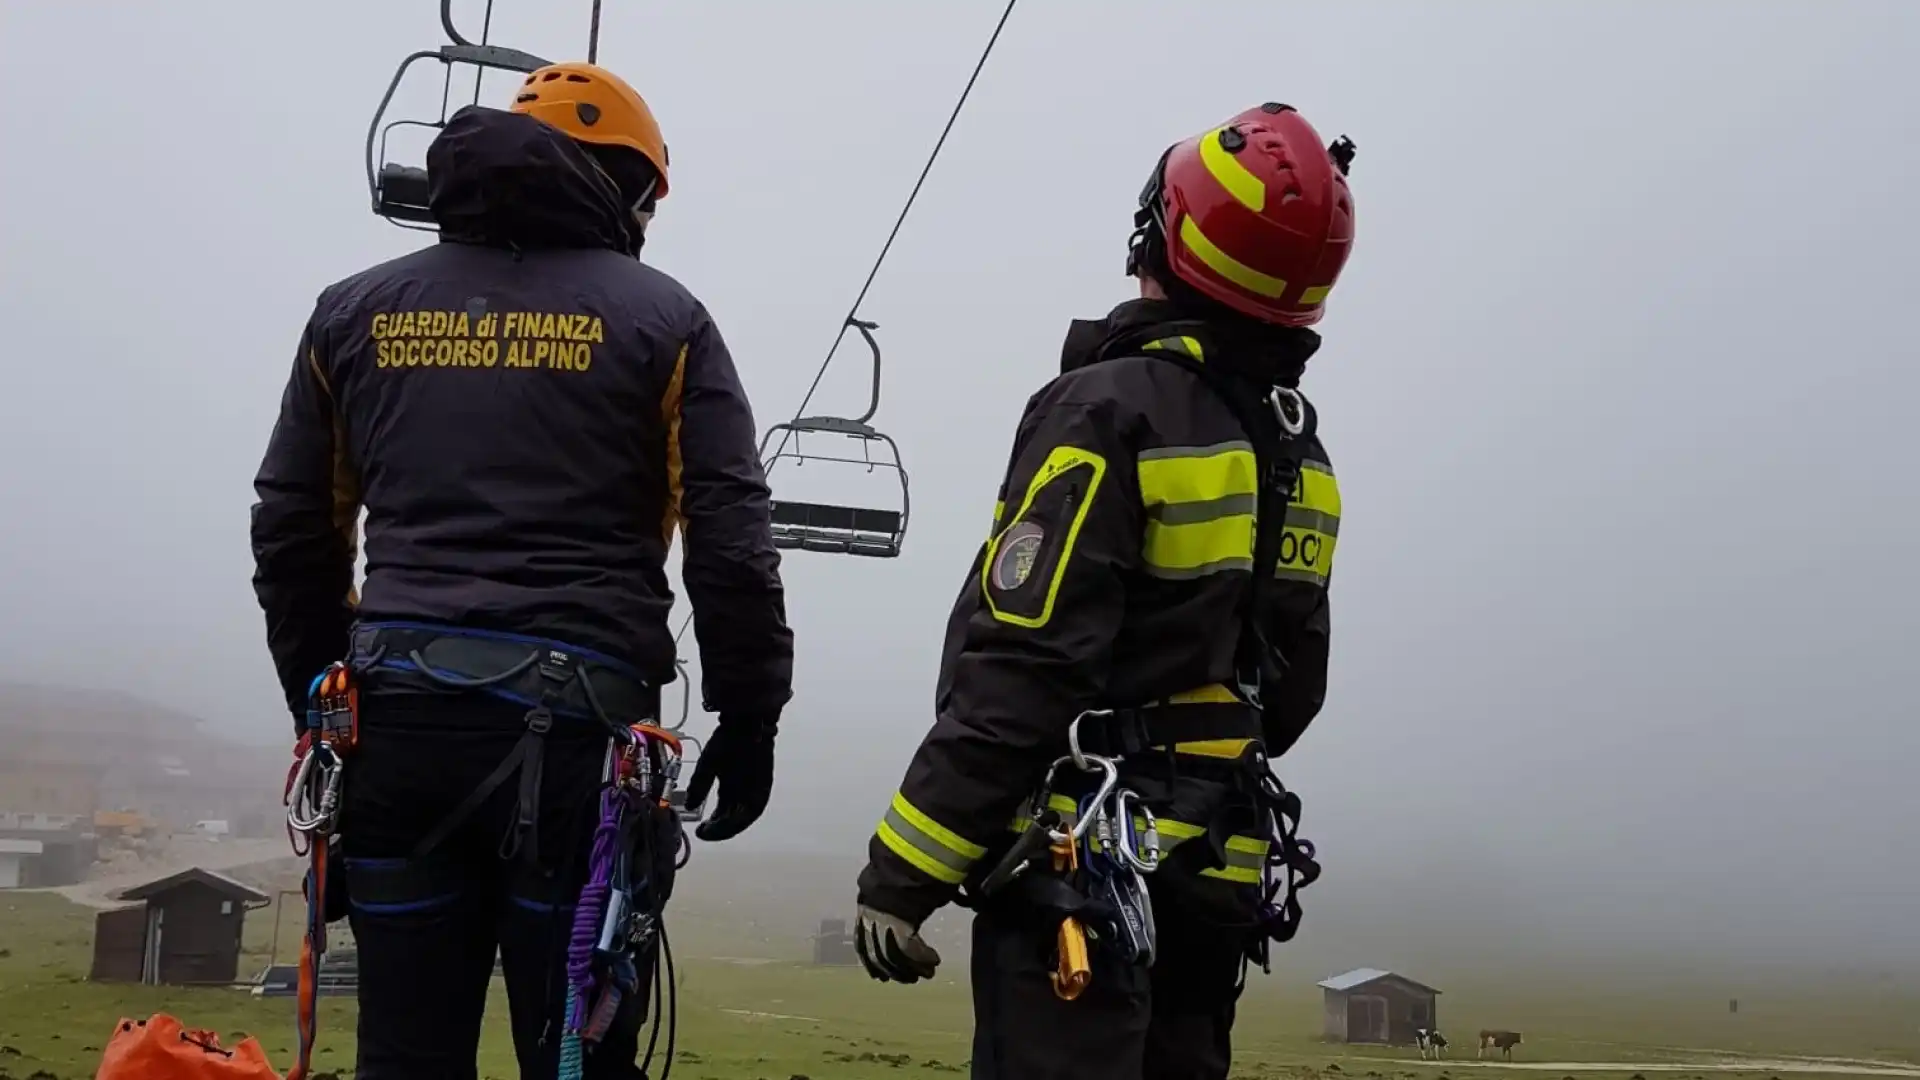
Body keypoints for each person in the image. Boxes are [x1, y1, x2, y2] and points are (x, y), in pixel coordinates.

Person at [250, 61, 793, 1080]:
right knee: (576, 1057)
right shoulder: (665, 323)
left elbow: (295, 532)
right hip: (580, 754)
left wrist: (322, 713)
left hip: (396, 740)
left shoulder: (352, 313)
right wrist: (752, 712)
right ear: (629, 190)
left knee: (405, 1058)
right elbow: (730, 535)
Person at [852, 102, 1356, 1080]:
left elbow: (1029, 662)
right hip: (1220, 874)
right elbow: (1289, 699)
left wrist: (904, 874)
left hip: (1081, 878)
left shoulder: (1109, 411)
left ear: (1158, 234)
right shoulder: (1300, 453)